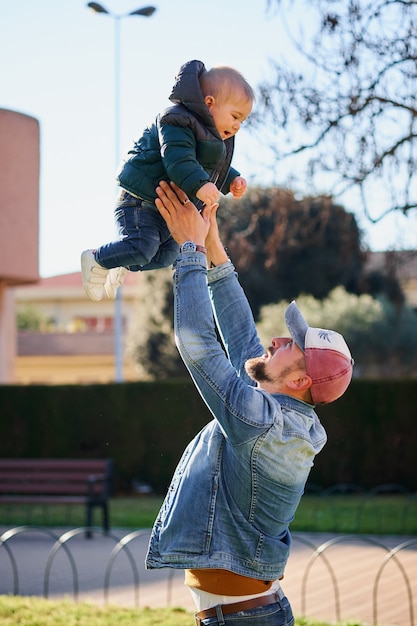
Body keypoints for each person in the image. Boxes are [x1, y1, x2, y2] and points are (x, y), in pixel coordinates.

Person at [145, 181, 354, 625]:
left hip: (242, 620)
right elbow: (243, 342)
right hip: (243, 615)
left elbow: (199, 345)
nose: (276, 339)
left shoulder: (264, 424)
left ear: (298, 378)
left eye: (289, 345)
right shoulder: (282, 414)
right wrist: (214, 249)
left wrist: (189, 251)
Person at [80, 59, 254, 302]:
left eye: (242, 121)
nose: (237, 126)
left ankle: (120, 259)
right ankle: (97, 258)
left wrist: (232, 179)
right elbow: (178, 159)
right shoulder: (175, 120)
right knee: (142, 247)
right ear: (209, 103)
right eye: (235, 116)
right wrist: (200, 185)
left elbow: (209, 165)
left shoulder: (211, 137)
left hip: (162, 206)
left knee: (167, 255)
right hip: (140, 199)